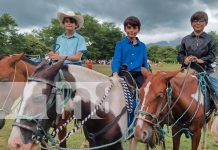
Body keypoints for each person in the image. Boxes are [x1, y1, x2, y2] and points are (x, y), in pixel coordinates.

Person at [177, 11, 218, 110]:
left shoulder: (210, 39)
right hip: (188, 70)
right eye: (195, 21)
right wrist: (185, 59)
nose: (198, 23)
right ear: (191, 24)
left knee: (217, 87)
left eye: (201, 21)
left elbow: (212, 56)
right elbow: (180, 55)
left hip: (206, 70)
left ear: (206, 23)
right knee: (170, 87)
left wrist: (201, 60)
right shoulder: (185, 39)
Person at [111, 16, 148, 88]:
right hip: (123, 74)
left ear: (138, 30)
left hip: (138, 75)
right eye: (129, 27)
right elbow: (116, 60)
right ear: (125, 29)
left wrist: (148, 76)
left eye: (134, 28)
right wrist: (115, 74)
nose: (132, 30)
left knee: (143, 94)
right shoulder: (120, 44)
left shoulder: (142, 46)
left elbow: (145, 64)